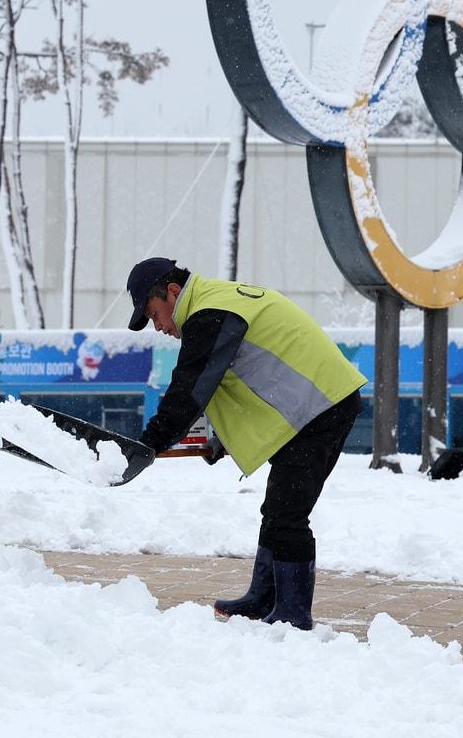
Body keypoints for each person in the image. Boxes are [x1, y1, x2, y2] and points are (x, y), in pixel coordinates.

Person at [126, 256, 366, 631]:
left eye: (153, 313)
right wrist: (218, 438)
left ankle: (293, 614)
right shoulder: (217, 302)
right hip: (313, 406)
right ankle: (265, 597)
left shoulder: (209, 313)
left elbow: (189, 391)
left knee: (287, 513)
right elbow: (237, 378)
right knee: (278, 507)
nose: (157, 326)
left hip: (321, 407)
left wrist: (148, 444)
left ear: (173, 292)